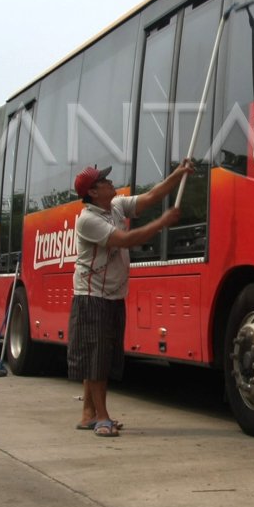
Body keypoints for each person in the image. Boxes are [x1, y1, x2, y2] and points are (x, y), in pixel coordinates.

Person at [69, 160, 195, 437]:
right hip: (93, 296)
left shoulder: (114, 206)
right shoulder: (88, 220)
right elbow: (126, 240)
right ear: (93, 192)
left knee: (98, 356)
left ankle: (88, 414)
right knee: (98, 358)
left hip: (112, 294)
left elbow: (150, 198)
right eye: (104, 181)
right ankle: (102, 417)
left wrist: (178, 174)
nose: (111, 183)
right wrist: (162, 223)